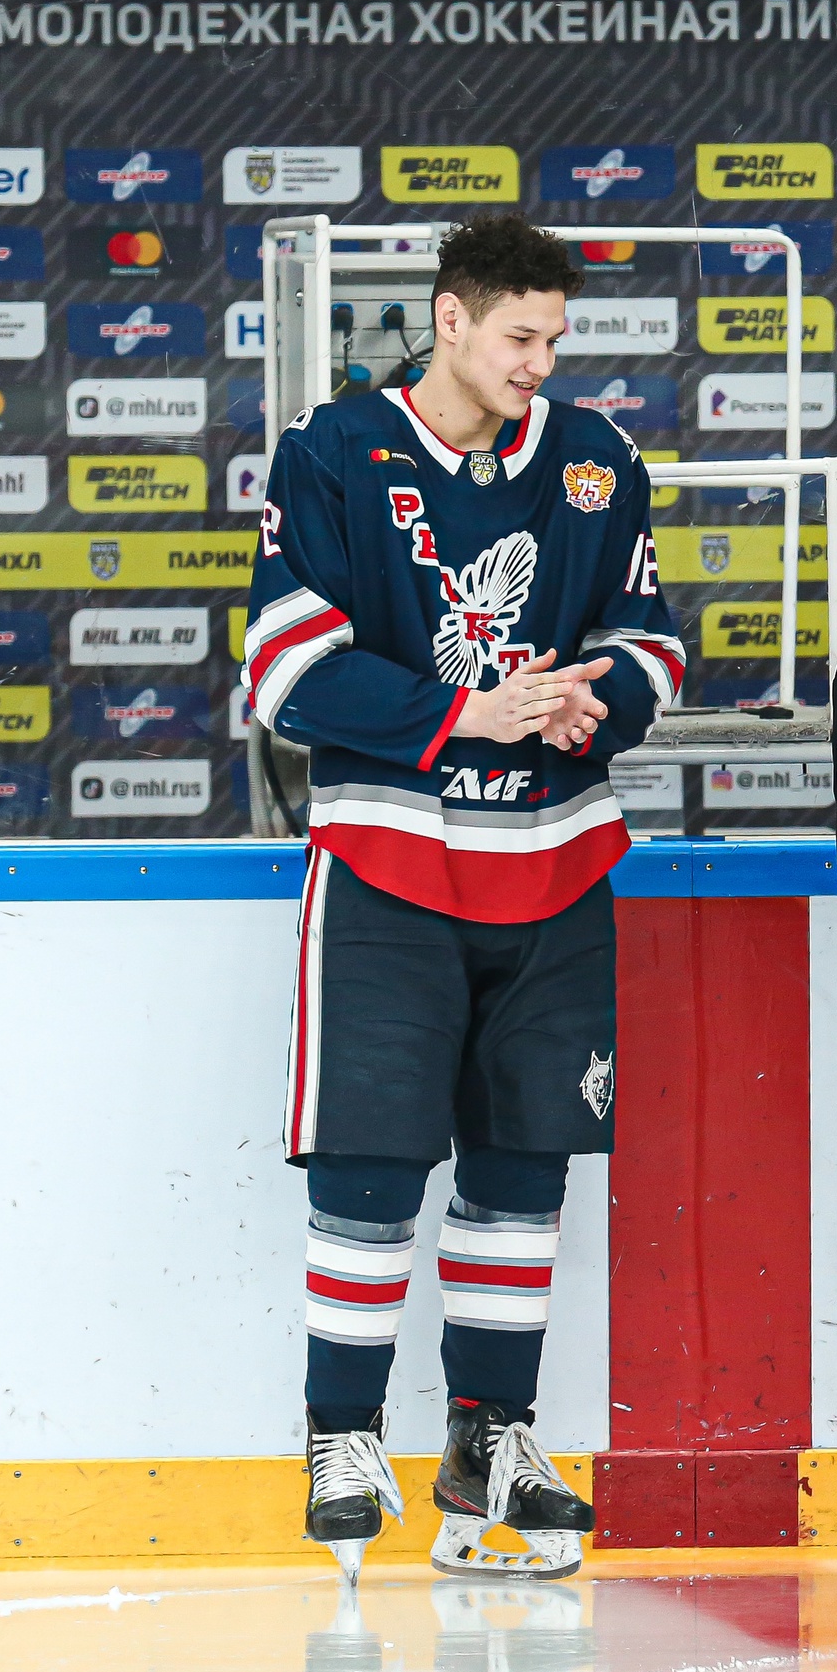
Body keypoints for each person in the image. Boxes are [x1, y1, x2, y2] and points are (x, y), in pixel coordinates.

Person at [241, 214, 684, 1583]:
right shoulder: (331, 450)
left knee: (521, 1164)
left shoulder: (599, 459)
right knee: (371, 1161)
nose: (539, 362)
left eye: (555, 339)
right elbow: (284, 667)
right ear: (450, 319)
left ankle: (491, 1437)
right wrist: (466, 714)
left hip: (555, 860)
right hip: (391, 861)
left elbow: (652, 639)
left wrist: (593, 702)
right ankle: (343, 1435)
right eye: (518, 336)